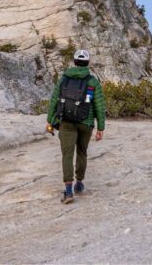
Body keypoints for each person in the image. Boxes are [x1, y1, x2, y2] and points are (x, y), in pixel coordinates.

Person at [46, 49, 106, 204]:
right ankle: (79, 183)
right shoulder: (92, 81)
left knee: (67, 155)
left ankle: (68, 192)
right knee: (81, 152)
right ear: (87, 63)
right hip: (85, 123)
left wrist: (49, 120)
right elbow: (99, 105)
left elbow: (54, 99)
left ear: (74, 62)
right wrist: (101, 127)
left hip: (65, 121)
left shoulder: (64, 79)